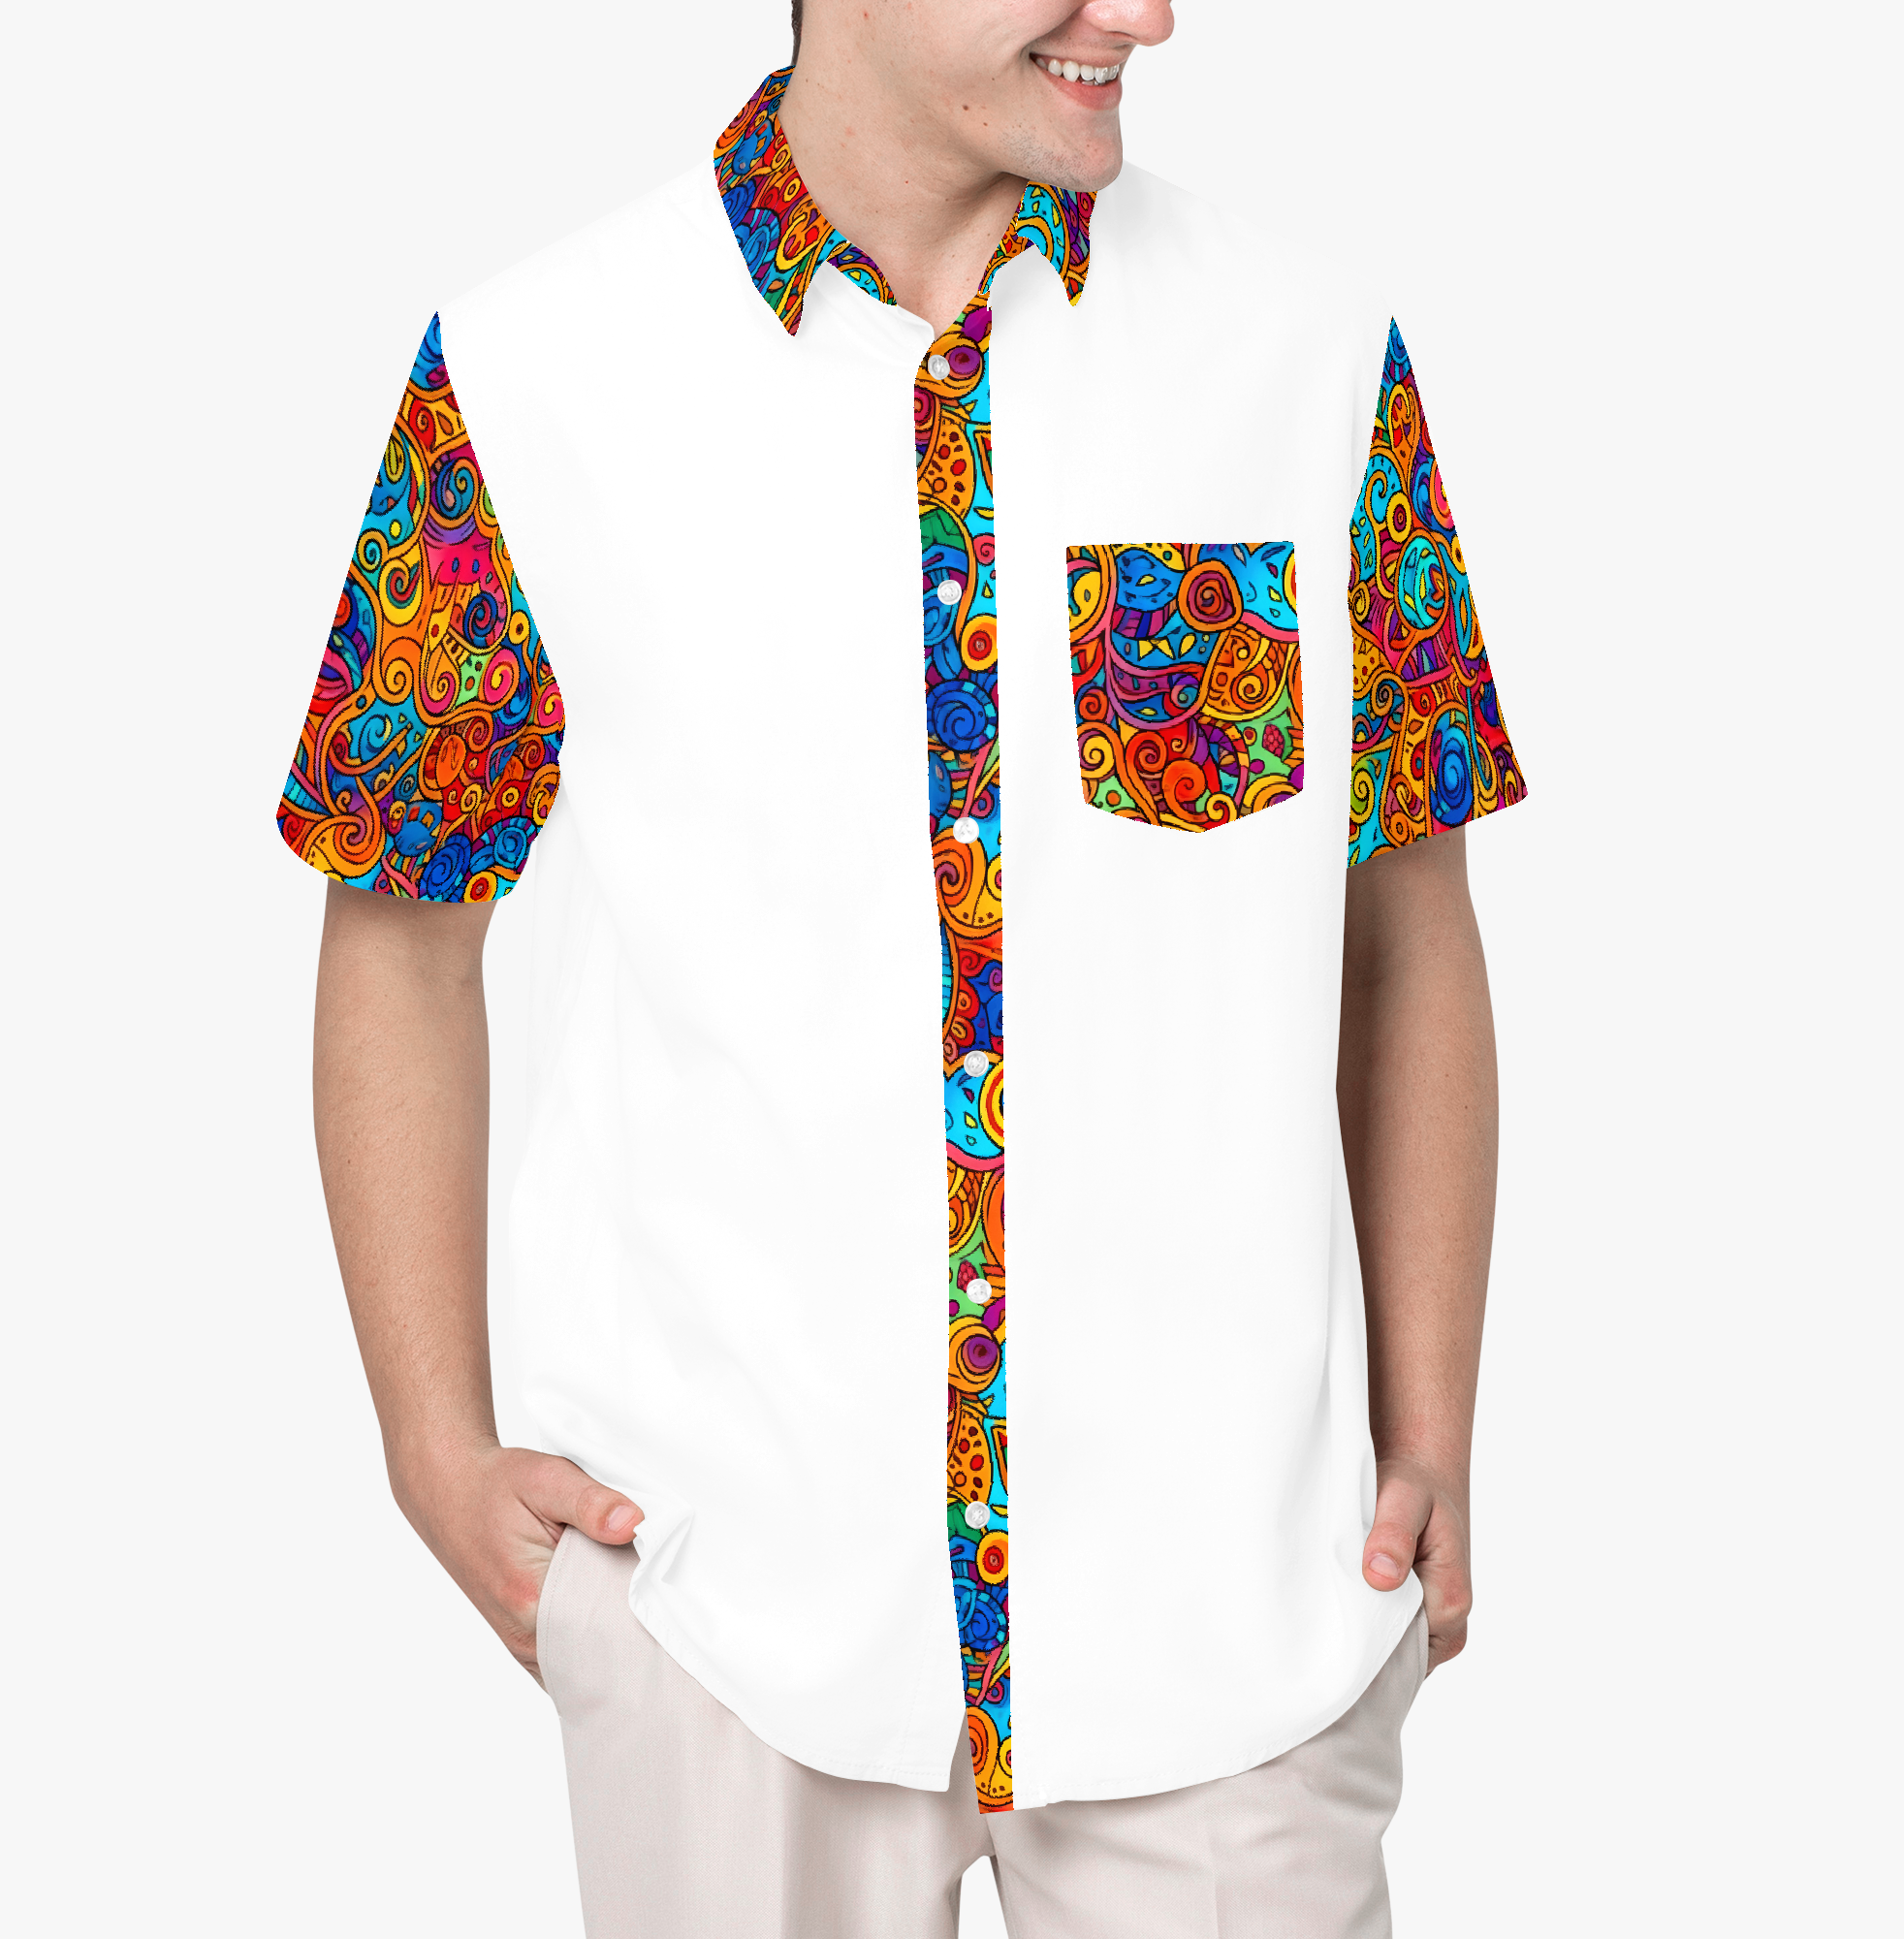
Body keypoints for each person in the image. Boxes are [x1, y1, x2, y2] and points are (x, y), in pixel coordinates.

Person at [277, 2, 1524, 1931]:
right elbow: (400, 930)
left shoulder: (1311, 361)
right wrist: (431, 1449)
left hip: (1232, 1623)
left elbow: (1403, 929)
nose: (1144, 13)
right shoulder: (526, 378)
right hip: (726, 1620)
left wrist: (1428, 1424)